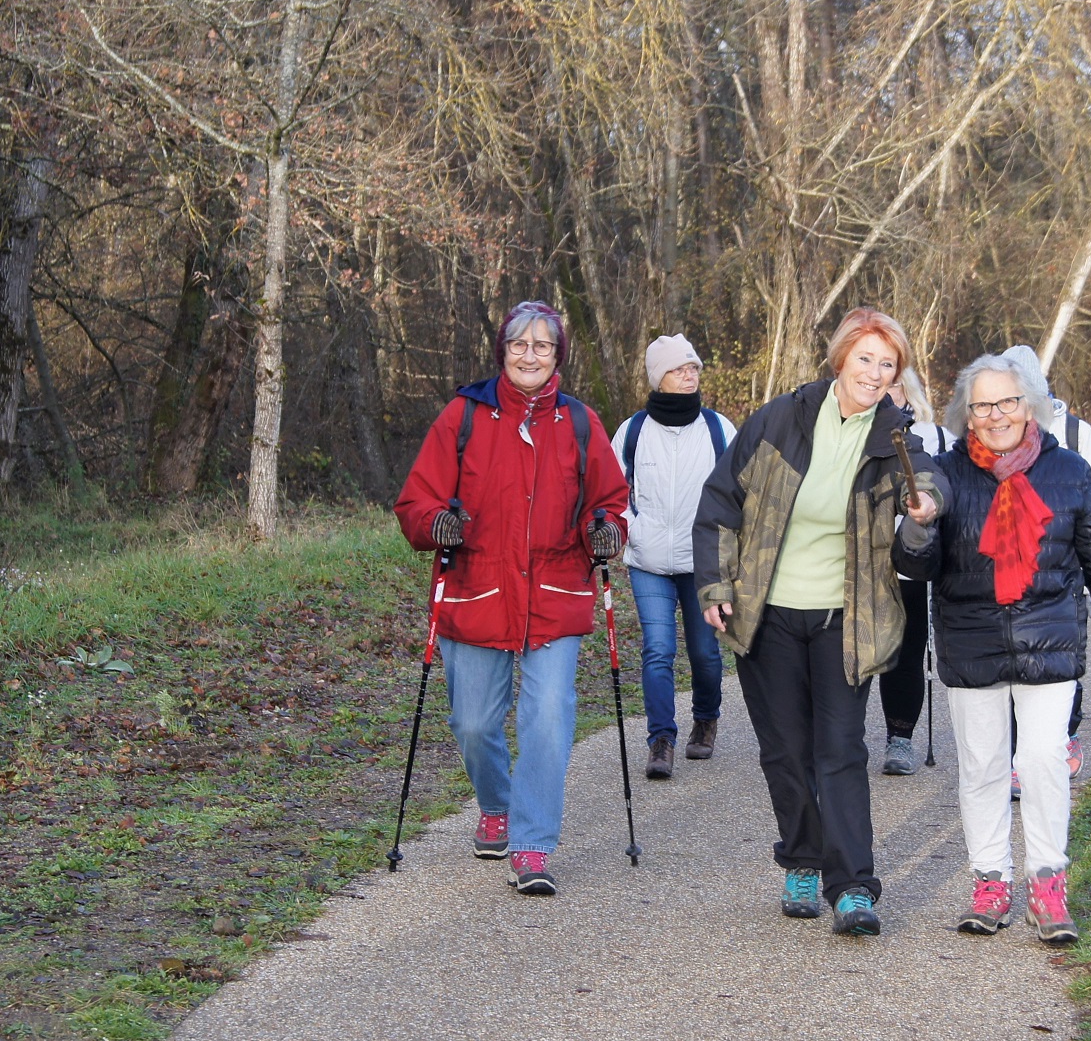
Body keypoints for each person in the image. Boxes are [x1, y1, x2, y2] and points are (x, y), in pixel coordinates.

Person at [895, 352, 1091, 942]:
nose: (995, 416)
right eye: (983, 405)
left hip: (1050, 638)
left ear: (1029, 405)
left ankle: (1048, 885)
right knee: (984, 767)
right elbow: (917, 568)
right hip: (972, 643)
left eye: (1007, 403)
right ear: (967, 413)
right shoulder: (945, 473)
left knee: (1043, 762)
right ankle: (990, 881)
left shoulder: (1067, 471)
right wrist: (917, 527)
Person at [694, 307, 945, 937]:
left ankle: (854, 885)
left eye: (888, 364)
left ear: (897, 376)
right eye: (865, 358)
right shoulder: (782, 418)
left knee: (839, 750)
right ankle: (801, 862)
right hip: (768, 615)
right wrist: (714, 583)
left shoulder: (895, 435)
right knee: (785, 750)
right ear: (840, 359)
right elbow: (721, 501)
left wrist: (927, 508)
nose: (875, 372)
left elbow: (929, 482)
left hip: (845, 618)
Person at [394, 301, 629, 898]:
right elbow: (415, 502)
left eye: (542, 346)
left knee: (548, 717)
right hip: (477, 591)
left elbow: (610, 501)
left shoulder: (579, 422)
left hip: (555, 591)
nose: (530, 355)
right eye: (520, 345)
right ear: (502, 351)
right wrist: (436, 524)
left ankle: (531, 845)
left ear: (558, 357)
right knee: (472, 723)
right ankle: (495, 803)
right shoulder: (463, 416)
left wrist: (605, 530)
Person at [611, 334, 738, 781]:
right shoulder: (632, 432)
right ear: (658, 377)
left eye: (694, 368)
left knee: (705, 654)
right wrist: (628, 526)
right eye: (680, 369)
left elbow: (739, 492)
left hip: (702, 562)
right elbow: (614, 492)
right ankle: (660, 740)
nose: (690, 375)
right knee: (658, 650)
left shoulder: (719, 429)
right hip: (648, 561)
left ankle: (706, 719)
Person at [1000, 344, 1091, 788]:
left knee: (1062, 659)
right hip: (1009, 574)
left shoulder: (1074, 433)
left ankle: (1066, 734)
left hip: (1066, 575)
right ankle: (1018, 759)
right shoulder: (993, 432)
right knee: (1011, 664)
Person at [876, 366, 950, 776]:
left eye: (892, 382)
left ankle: (899, 738)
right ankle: (843, 735)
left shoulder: (935, 436)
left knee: (907, 650)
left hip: (912, 564)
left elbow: (948, 491)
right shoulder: (855, 432)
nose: (884, 389)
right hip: (863, 564)